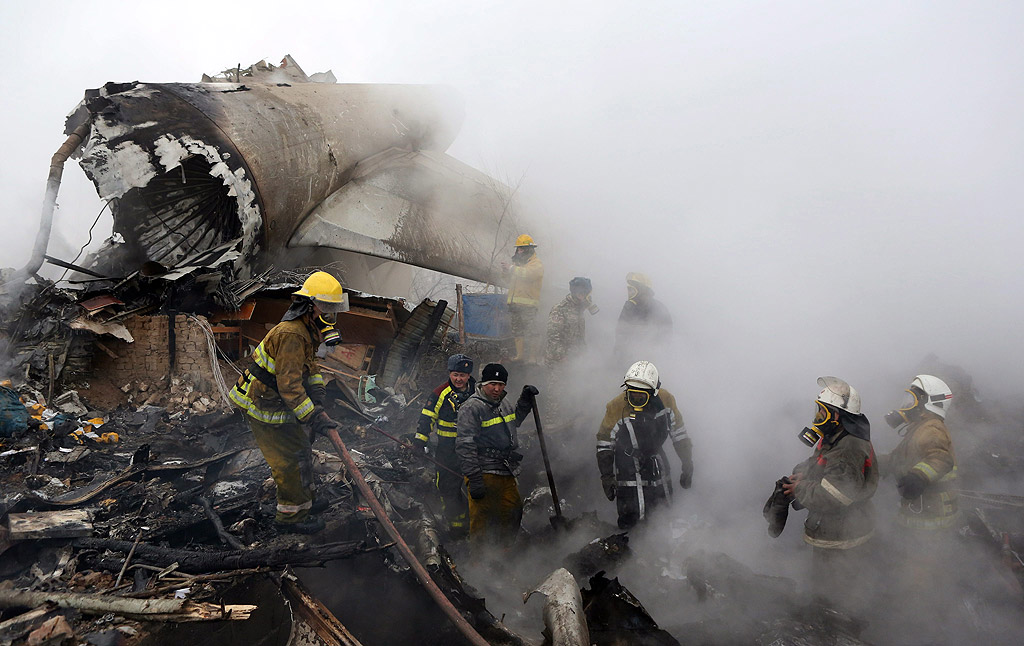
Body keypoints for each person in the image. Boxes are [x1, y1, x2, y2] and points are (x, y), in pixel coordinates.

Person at [228, 271, 348, 534]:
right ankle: (291, 519)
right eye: (327, 307)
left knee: (302, 452)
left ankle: (307, 503)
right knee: (287, 463)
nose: (331, 314)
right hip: (265, 407)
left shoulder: (306, 329)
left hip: (281, 404)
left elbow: (309, 366)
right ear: (311, 305)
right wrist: (313, 416)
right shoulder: (292, 334)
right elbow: (290, 385)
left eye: (333, 308)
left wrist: (318, 394)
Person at [782, 376, 878, 609]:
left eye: (822, 412)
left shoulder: (849, 446)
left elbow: (836, 494)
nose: (817, 418)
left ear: (838, 415)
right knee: (826, 587)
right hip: (834, 531)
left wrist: (800, 488)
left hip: (843, 536)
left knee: (835, 594)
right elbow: (823, 465)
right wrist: (804, 474)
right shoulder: (836, 438)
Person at [595, 360, 693, 529]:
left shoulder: (666, 401)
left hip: (656, 460)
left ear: (653, 393)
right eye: (632, 393)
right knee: (632, 512)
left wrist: (687, 463)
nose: (636, 397)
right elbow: (604, 442)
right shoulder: (617, 407)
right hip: (627, 464)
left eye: (642, 395)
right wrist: (607, 476)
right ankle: (631, 544)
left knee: (663, 506)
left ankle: (662, 540)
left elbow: (679, 434)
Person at [455, 362, 537, 547]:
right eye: (493, 384)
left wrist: (524, 402)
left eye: (501, 385)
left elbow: (512, 424)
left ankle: (503, 554)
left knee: (513, 510)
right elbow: (464, 446)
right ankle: (479, 564)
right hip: (483, 471)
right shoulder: (471, 408)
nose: (497, 388)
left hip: (505, 469)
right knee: (481, 520)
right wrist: (474, 479)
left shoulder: (504, 403)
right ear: (484, 383)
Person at [879, 374, 959, 530]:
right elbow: (901, 458)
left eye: (912, 400)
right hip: (923, 509)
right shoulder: (920, 427)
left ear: (929, 403)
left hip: (932, 513)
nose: (907, 406)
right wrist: (874, 463)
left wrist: (918, 476)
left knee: (925, 554)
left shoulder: (932, 428)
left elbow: (941, 459)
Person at [413, 353, 476, 537]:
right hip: (448, 450)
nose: (458, 378)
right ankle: (457, 526)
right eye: (455, 374)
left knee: (477, 486)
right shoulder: (440, 393)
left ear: (468, 375)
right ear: (449, 373)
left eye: (462, 375)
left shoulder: (478, 392)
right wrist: (420, 441)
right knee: (448, 487)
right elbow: (427, 418)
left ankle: (479, 523)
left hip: (474, 449)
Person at [504, 234, 544, 362]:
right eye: (518, 249)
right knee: (517, 331)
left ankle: (533, 358)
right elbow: (507, 281)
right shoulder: (518, 266)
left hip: (529, 306)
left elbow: (528, 274)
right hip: (515, 305)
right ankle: (519, 356)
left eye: (521, 249)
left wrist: (511, 268)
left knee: (532, 332)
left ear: (528, 249)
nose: (518, 252)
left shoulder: (536, 264)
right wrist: (506, 272)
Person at [614, 273, 672, 360]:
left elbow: (665, 335)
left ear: (642, 290)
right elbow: (620, 330)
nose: (629, 293)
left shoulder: (658, 308)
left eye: (632, 290)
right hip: (627, 357)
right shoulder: (629, 306)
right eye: (628, 290)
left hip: (650, 359)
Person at [545, 277, 597, 367]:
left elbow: (579, 336)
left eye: (585, 293)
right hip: (559, 361)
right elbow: (553, 338)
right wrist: (562, 357)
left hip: (575, 359)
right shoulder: (560, 309)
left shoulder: (579, 309)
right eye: (580, 293)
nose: (582, 295)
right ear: (574, 292)